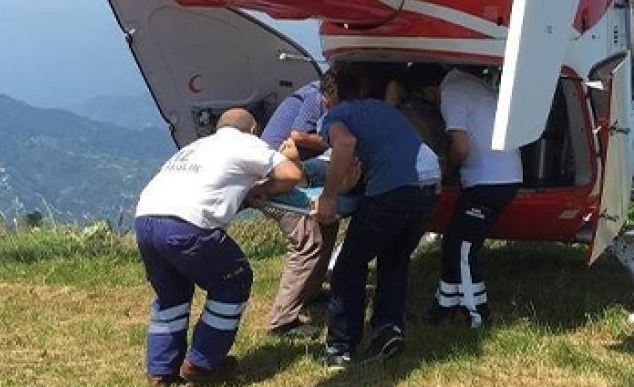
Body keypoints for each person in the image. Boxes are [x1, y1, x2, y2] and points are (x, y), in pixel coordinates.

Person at [134, 108, 304, 386]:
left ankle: (161, 371)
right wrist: (260, 189)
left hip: (145, 220)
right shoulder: (248, 143)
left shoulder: (195, 147)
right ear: (253, 128)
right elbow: (291, 174)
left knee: (171, 295)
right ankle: (201, 363)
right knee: (233, 280)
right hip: (187, 225)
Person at [313, 68, 437, 369]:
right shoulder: (381, 109)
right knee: (394, 259)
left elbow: (344, 144)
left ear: (327, 97)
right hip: (429, 184)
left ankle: (340, 346)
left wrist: (328, 197)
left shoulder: (334, 116)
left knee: (349, 265)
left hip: (393, 189)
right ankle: (388, 330)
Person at [427, 67, 523, 328]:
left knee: (463, 249)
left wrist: (449, 169)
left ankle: (477, 314)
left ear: (430, 89)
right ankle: (444, 306)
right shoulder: (475, 85)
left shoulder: (451, 92)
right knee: (453, 242)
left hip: (488, 180)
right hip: (504, 175)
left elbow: (460, 146)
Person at [257, 73, 338, 339]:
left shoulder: (318, 91)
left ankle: (310, 293)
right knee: (307, 242)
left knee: (327, 222)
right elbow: (298, 135)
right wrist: (338, 140)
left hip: (287, 172)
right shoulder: (316, 95)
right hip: (276, 178)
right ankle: (283, 321)